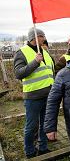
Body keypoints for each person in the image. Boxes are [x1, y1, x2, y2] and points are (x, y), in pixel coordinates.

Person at [13, 28, 54, 158]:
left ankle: (43, 148)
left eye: (43, 36)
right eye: (41, 36)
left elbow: (51, 72)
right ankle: (30, 151)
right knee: (31, 126)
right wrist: (35, 62)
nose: (44, 38)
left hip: (48, 95)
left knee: (45, 124)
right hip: (33, 97)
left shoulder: (45, 52)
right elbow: (19, 74)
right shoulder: (21, 53)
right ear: (34, 37)